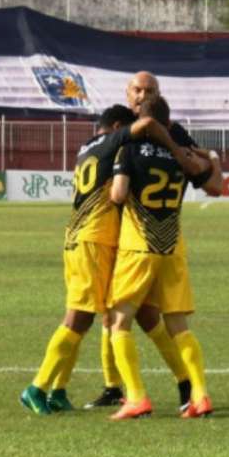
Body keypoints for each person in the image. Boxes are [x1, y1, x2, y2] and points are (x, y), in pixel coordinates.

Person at [19, 102, 184, 415]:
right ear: (118, 125)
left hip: (81, 238)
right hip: (94, 238)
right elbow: (143, 125)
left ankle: (58, 390)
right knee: (79, 317)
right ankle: (36, 387)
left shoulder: (86, 148)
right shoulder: (113, 141)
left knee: (89, 314)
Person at [106, 98, 215, 419]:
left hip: (138, 247)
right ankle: (200, 394)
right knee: (178, 325)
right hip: (171, 248)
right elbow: (208, 179)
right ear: (168, 124)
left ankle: (136, 396)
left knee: (119, 321)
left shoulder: (129, 150)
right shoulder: (180, 155)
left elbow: (118, 194)